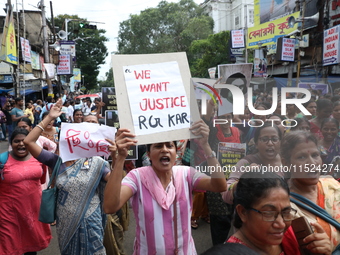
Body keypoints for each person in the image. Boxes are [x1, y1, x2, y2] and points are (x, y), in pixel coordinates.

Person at [103, 120, 227, 254]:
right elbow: (110, 206)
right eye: (158, 146)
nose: (164, 150)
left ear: (176, 152)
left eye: (169, 146)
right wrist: (120, 157)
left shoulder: (186, 173)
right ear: (149, 154)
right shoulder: (137, 177)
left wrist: (206, 145)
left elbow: (219, 185)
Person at [24, 99, 112, 254]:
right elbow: (28, 141)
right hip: (66, 225)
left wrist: (119, 160)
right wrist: (49, 118)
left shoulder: (98, 163)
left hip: (92, 224)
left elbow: (113, 182)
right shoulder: (57, 162)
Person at [226, 171, 330, 255]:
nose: (281, 224)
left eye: (286, 212)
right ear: (243, 212)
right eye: (269, 213)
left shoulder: (295, 235)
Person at [281, 131, 339, 253]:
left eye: (315, 155)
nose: (312, 163)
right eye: (302, 157)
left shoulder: (332, 185)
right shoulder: (283, 205)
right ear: (286, 163)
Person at [0, 128, 52, 254]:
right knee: (11, 246)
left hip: (33, 211)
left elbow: (41, 181)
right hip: (9, 213)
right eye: (16, 141)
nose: (21, 144)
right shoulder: (2, 160)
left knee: (31, 245)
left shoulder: (39, 158)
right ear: (11, 144)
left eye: (24, 141)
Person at [223, 123, 283, 204]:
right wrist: (245, 178)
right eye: (264, 139)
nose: (270, 143)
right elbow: (226, 194)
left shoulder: (288, 162)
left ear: (280, 142)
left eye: (274, 139)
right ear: (256, 144)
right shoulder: (246, 163)